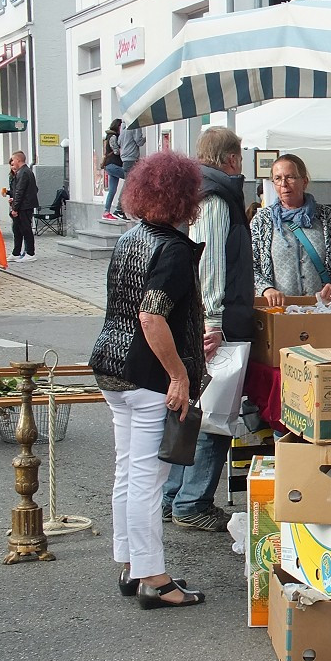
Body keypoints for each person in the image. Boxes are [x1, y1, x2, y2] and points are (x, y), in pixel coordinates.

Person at [88, 150, 208, 610]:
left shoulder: (131, 236)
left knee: (128, 472)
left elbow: (142, 309)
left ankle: (131, 565)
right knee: (147, 479)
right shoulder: (173, 249)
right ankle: (154, 579)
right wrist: (179, 373)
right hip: (145, 375)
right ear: (185, 198)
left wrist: (191, 342)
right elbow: (151, 314)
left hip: (112, 366)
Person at [162, 127, 253, 532]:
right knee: (213, 413)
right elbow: (210, 261)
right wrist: (212, 320)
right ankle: (191, 501)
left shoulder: (204, 191)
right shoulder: (215, 197)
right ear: (232, 158)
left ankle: (174, 497)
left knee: (194, 409)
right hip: (214, 320)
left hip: (202, 317)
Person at [251, 154, 331, 305]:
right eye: (277, 178)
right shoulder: (262, 221)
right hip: (278, 313)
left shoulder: (328, 218)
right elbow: (250, 267)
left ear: (304, 181)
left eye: (290, 177)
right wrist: (265, 289)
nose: (284, 184)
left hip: (322, 311)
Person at [9, 151, 39, 262]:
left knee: (26, 229)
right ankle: (16, 252)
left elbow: (20, 191)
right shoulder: (22, 172)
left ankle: (30, 253)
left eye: (13, 160)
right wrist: (14, 201)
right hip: (22, 204)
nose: (12, 162)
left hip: (24, 206)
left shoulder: (24, 172)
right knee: (17, 229)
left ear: (18, 160)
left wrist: (15, 208)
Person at [114, 124, 146, 219]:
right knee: (129, 184)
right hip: (132, 158)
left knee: (130, 183)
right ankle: (119, 209)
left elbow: (119, 141)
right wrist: (146, 138)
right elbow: (139, 141)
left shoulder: (123, 127)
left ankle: (124, 209)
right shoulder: (135, 125)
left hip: (125, 158)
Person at [101, 119, 125, 221]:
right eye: (121, 126)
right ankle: (119, 209)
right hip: (112, 165)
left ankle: (106, 212)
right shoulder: (113, 136)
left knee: (112, 190)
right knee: (131, 178)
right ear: (117, 126)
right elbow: (115, 151)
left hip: (110, 166)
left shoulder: (109, 136)